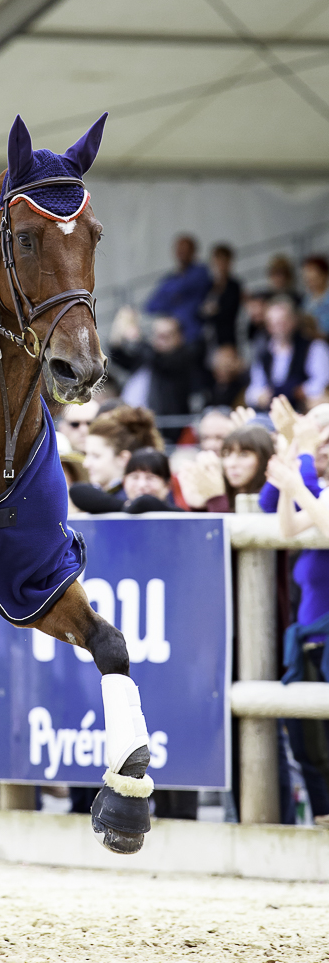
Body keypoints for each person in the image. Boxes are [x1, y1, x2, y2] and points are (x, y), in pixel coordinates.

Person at [265, 408, 329, 823]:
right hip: (313, 631)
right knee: (310, 743)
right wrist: (290, 484)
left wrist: (297, 482)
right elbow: (289, 529)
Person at [110, 314, 195, 440]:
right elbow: (118, 357)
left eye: (165, 336)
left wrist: (136, 338)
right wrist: (118, 332)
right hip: (135, 424)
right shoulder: (148, 357)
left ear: (179, 337)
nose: (159, 341)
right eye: (157, 335)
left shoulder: (182, 357)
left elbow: (161, 361)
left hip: (165, 429)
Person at [68, 406, 163, 513]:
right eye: (87, 454)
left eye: (96, 456)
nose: (86, 464)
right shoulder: (95, 495)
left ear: (123, 458)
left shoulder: (144, 495)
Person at [246, 297, 329, 412]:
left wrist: (301, 390)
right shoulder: (263, 353)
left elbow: (323, 381)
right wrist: (260, 396)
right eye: (274, 323)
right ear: (268, 326)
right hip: (272, 412)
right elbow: (253, 389)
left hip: (304, 410)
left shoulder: (314, 346)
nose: (279, 328)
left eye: (283, 322)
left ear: (294, 321)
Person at [177, 424, 273, 512]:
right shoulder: (227, 494)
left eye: (244, 454)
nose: (231, 464)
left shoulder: (273, 497)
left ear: (264, 458)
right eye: (226, 454)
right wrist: (199, 507)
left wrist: (217, 499)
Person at [145, 234, 211, 345]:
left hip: (192, 335)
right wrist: (173, 300)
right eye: (180, 250)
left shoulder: (200, 272)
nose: (182, 254)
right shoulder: (170, 278)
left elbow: (184, 286)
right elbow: (150, 305)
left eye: (186, 250)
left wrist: (170, 297)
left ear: (193, 252)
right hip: (172, 339)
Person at [201, 244, 243, 348]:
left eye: (223, 261)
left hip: (227, 338)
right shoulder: (208, 286)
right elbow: (200, 312)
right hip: (208, 338)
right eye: (217, 261)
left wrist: (211, 311)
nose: (220, 266)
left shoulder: (234, 286)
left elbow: (229, 312)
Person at [202, 344, 248, 409]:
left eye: (228, 363)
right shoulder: (211, 388)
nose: (225, 367)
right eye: (220, 363)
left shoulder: (243, 386)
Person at [301, 255, 329, 338]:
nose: (311, 283)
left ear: (325, 275)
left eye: (314, 279)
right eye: (308, 280)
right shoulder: (306, 298)